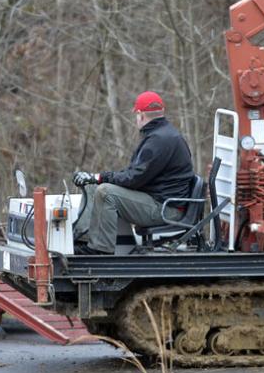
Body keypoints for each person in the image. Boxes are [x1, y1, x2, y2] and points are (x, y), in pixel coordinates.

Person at [72, 91, 195, 255]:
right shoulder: (164, 134)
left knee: (105, 192)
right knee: (93, 186)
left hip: (166, 209)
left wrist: (101, 177)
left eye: (136, 115)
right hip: (161, 201)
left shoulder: (159, 140)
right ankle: (84, 241)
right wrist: (96, 179)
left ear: (141, 115)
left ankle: (100, 250)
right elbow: (135, 174)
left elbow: (133, 179)